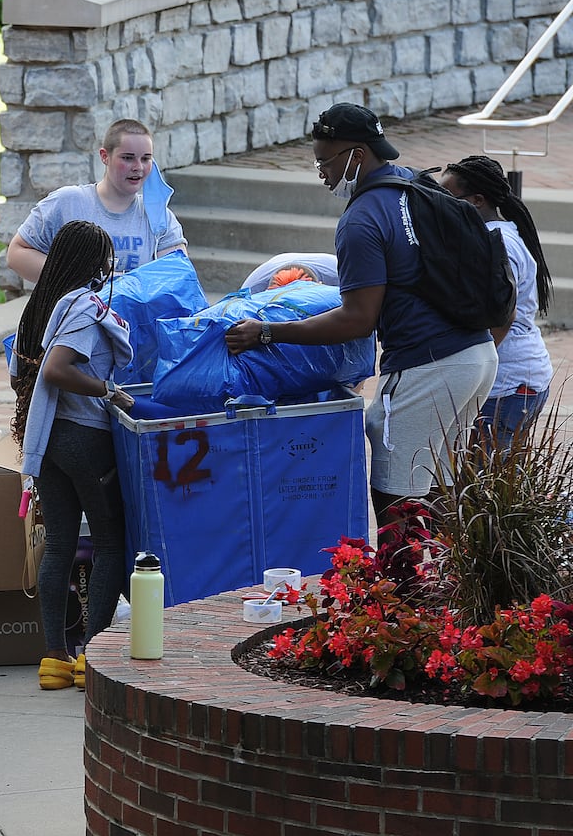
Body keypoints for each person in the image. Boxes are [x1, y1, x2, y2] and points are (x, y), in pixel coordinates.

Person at [224, 103, 496, 525]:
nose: (321, 173)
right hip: (477, 356)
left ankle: (400, 591)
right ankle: (451, 589)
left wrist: (267, 332)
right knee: (439, 488)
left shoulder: (361, 220)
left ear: (355, 155)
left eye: (324, 161)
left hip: (427, 365)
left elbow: (357, 319)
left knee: (394, 495)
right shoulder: (414, 184)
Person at [9, 221, 134, 691]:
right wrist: (107, 390)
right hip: (85, 436)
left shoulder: (36, 308)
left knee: (60, 543)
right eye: (105, 258)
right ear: (90, 262)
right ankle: (92, 655)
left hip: (48, 442)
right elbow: (58, 369)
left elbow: (22, 374)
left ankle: (55, 659)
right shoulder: (82, 307)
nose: (109, 267)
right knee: (108, 541)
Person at [439, 155, 554, 450]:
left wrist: (472, 369)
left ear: (476, 200)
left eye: (447, 196)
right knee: (493, 480)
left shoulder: (495, 241)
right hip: (519, 379)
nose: (439, 204)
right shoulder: (502, 234)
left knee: (480, 483)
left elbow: (503, 316)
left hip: (507, 385)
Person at [6, 118, 188, 284]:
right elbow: (16, 254)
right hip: (76, 318)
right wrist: (82, 279)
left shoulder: (159, 216)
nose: (138, 167)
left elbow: (176, 278)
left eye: (146, 159)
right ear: (104, 156)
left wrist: (128, 285)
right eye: (127, 158)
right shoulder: (68, 202)